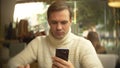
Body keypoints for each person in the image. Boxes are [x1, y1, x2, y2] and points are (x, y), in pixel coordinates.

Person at [8, 1, 103, 68]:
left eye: (64, 22)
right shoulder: (38, 43)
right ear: (48, 22)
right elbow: (11, 63)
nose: (59, 27)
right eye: (54, 22)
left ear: (70, 21)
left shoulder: (83, 45)